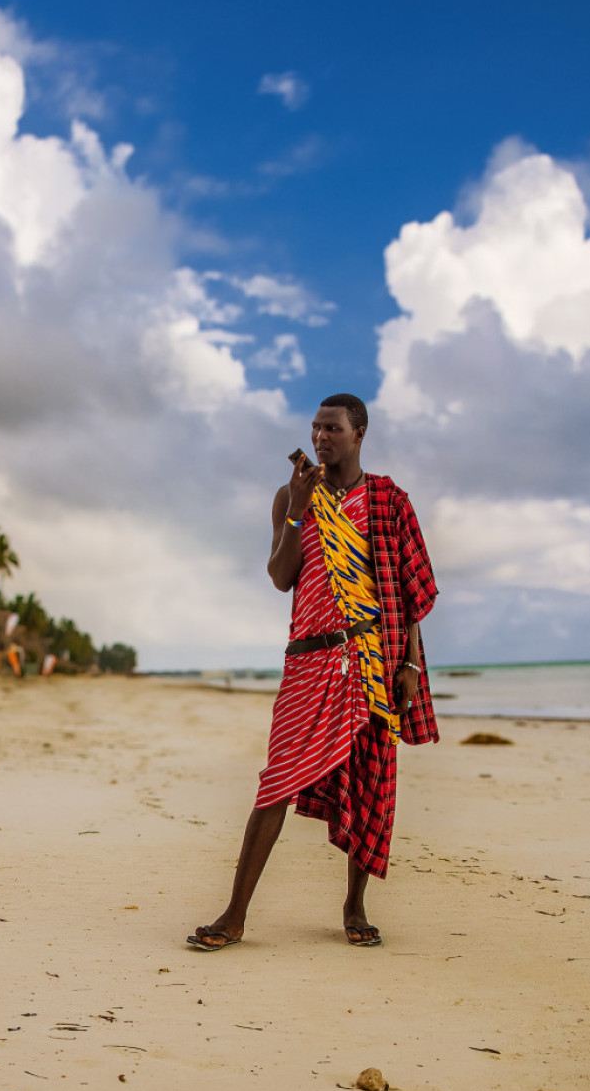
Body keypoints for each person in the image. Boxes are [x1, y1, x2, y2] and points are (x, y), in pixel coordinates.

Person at [187, 393, 438, 951]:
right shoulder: (291, 495)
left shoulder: (387, 502)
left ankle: (354, 906)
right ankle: (234, 915)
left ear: (360, 433)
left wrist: (411, 663)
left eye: (334, 428)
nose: (322, 437)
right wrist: (298, 511)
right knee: (275, 782)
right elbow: (281, 577)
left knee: (370, 784)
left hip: (371, 658)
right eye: (316, 428)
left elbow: (407, 591)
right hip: (308, 659)